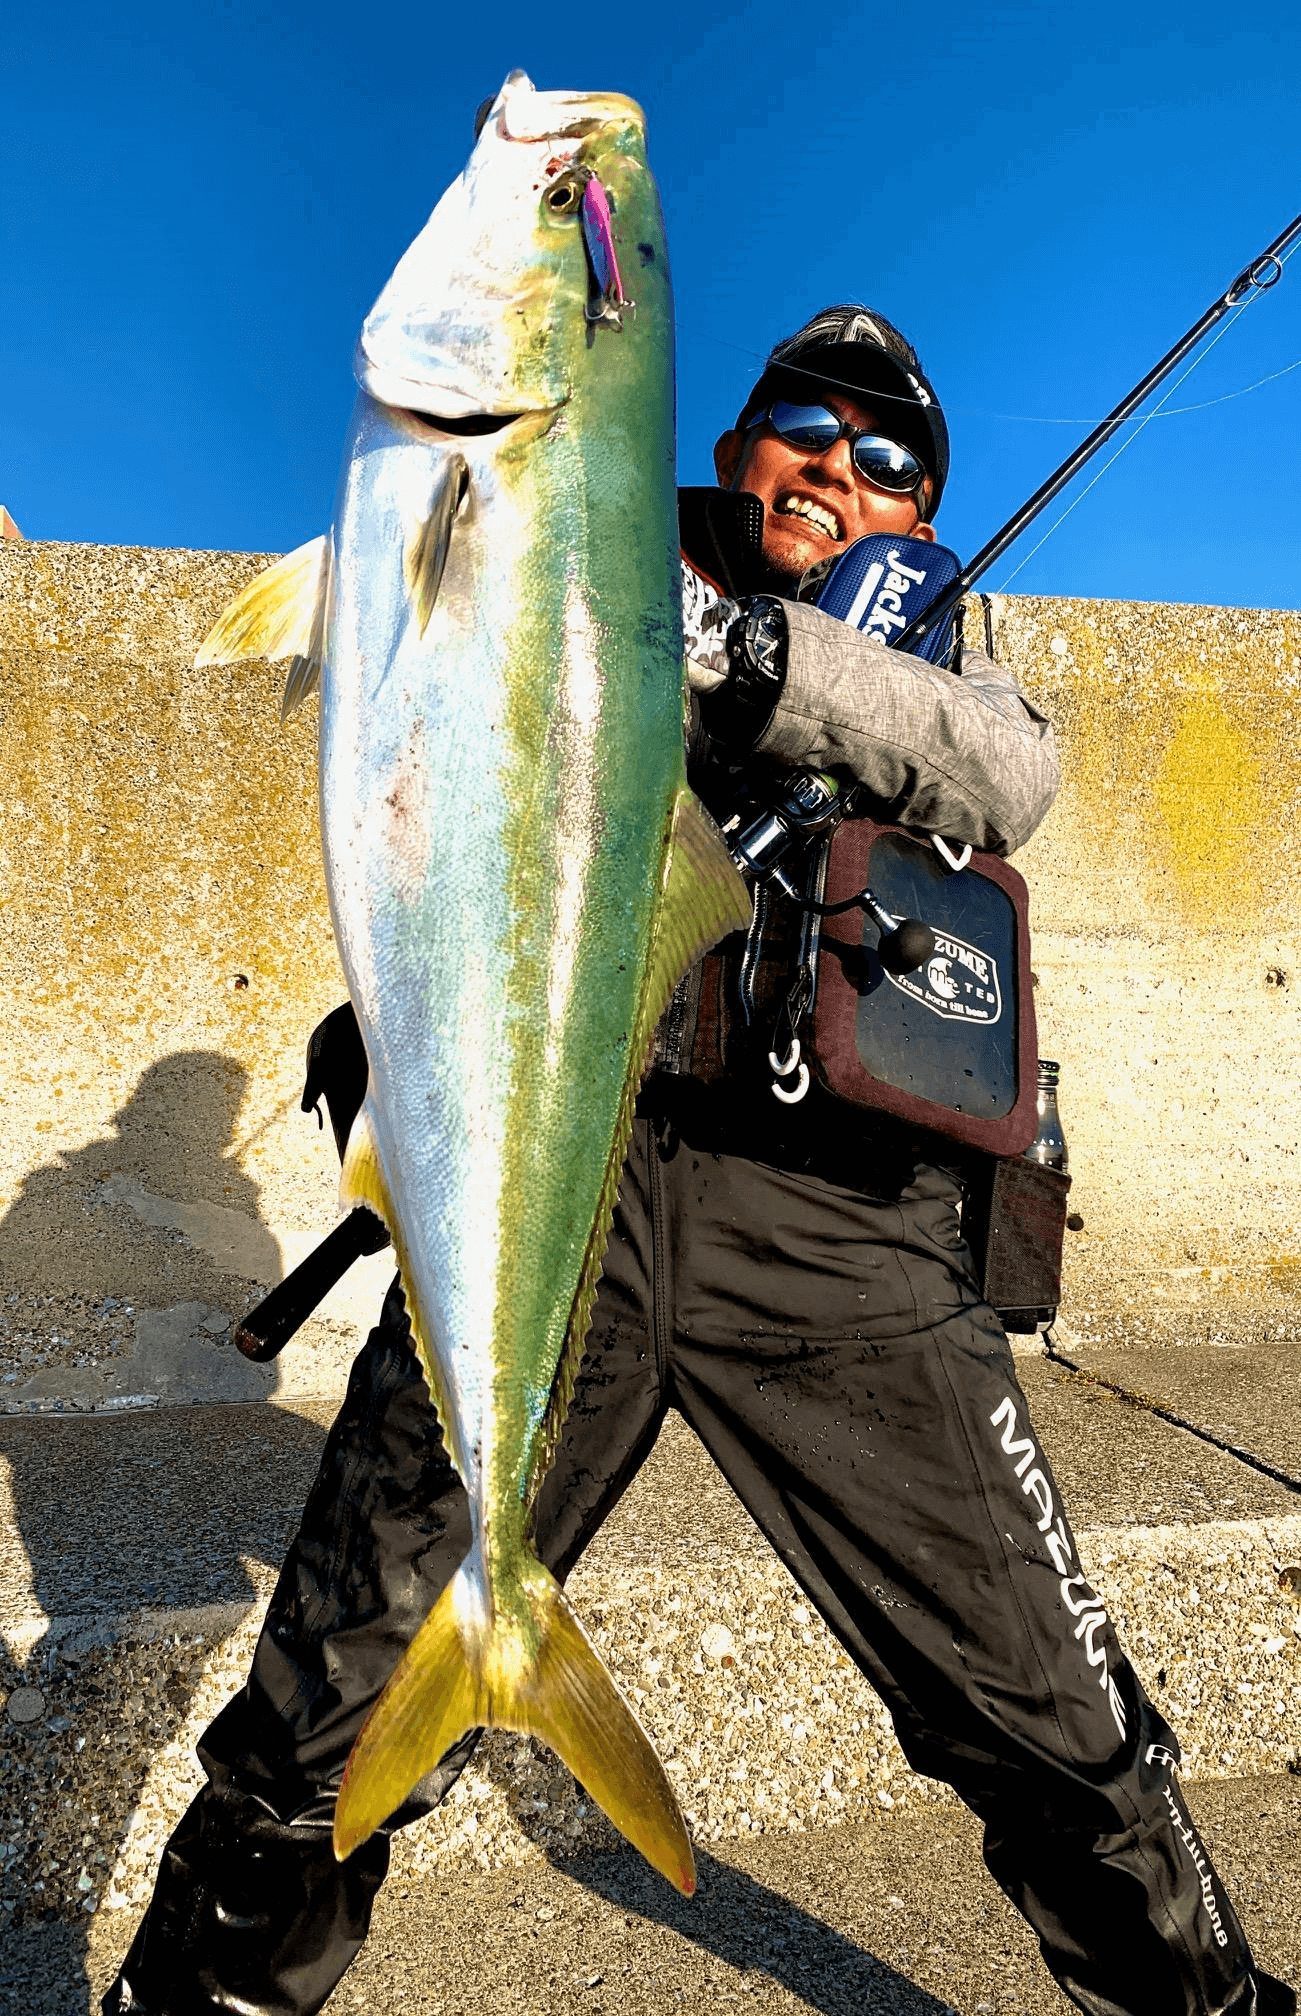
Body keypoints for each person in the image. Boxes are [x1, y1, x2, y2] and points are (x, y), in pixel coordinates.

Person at [105, 307, 1293, 2016]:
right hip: (547, 1199)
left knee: (1056, 1719)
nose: (840, 465)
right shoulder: (572, 555)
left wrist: (745, 655)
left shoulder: (940, 656)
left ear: (922, 508)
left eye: (891, 459)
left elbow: (1011, 770)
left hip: (839, 1233)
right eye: (804, 425)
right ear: (733, 449)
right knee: (320, 1712)